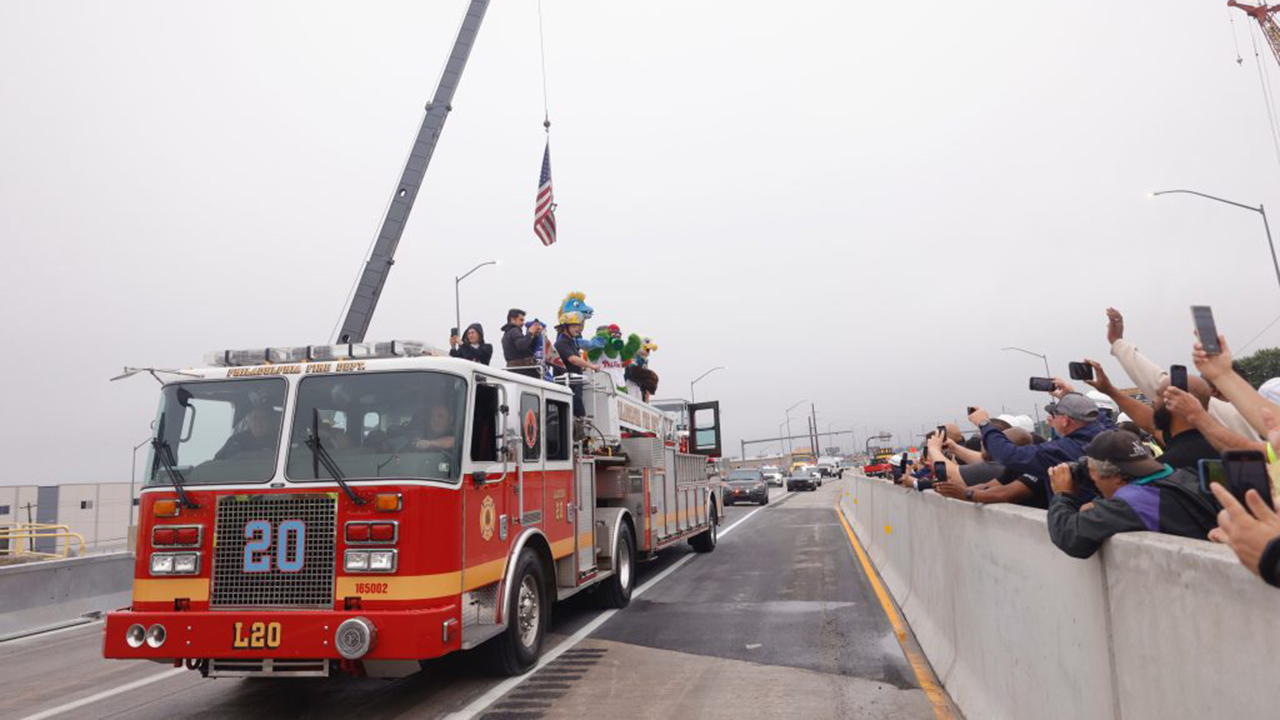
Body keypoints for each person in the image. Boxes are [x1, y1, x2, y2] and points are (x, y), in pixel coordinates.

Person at [1046, 429, 1219, 558]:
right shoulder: (1183, 475)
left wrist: (1063, 494)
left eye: (1092, 472)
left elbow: (1070, 537)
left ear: (1117, 478)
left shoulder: (1134, 503)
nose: (1091, 478)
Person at [1104, 307, 1260, 440]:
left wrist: (1118, 343)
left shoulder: (1244, 419)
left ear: (1213, 390)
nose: (1157, 400)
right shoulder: (1262, 420)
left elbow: (1163, 385)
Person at [970, 388, 1111, 498]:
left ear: (1065, 420)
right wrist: (1072, 397)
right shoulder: (1111, 436)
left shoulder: (1060, 450)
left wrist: (985, 424)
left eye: (1055, 415)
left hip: (1076, 523)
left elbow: (1008, 454)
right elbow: (1102, 419)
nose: (1052, 419)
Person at [1083, 359, 1218, 470]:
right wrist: (1109, 390)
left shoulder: (1166, 469)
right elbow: (1150, 424)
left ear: (1176, 404)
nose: (1153, 401)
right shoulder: (1224, 446)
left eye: (1158, 395)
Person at [553, 312, 600, 418]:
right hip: (568, 385)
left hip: (574, 384)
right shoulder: (561, 343)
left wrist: (583, 366)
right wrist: (591, 366)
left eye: (578, 326)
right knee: (575, 414)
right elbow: (573, 359)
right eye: (574, 326)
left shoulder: (571, 342)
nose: (578, 329)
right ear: (565, 327)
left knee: (577, 413)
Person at [215, 403, 279, 459]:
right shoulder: (236, 441)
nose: (258, 422)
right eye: (254, 418)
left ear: (271, 421)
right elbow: (216, 463)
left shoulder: (280, 441)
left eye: (263, 418)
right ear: (249, 421)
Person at [500, 308, 542, 377]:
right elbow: (521, 346)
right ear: (513, 319)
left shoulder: (507, 334)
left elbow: (526, 350)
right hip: (524, 372)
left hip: (516, 372)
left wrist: (535, 336)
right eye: (521, 320)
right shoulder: (514, 330)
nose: (523, 323)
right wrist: (530, 333)